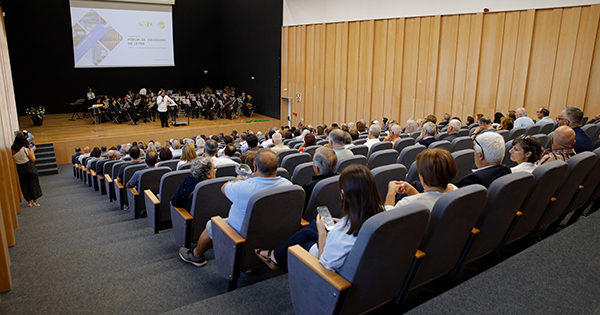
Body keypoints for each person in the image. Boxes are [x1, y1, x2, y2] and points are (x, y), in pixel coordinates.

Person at [255, 164, 384, 271]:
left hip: (332, 278)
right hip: (365, 262)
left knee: (306, 242)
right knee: (311, 228)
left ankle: (276, 256)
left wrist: (322, 233)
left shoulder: (342, 233)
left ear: (343, 193)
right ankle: (275, 256)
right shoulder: (384, 215)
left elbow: (324, 265)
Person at [179, 149, 292, 267]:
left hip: (243, 233)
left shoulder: (243, 187)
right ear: (277, 167)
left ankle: (196, 255)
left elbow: (223, 188)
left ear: (254, 167)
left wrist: (240, 180)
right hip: (274, 230)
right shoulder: (288, 185)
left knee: (211, 225)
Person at [385, 148, 458, 210]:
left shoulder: (407, 203)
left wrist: (391, 193)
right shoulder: (455, 190)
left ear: (422, 176)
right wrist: (411, 190)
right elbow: (427, 200)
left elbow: (386, 220)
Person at [12, 134, 42, 207]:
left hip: (19, 168)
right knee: (33, 184)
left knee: (24, 184)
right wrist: (33, 150)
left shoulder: (12, 149)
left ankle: (29, 202)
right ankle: (35, 202)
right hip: (28, 166)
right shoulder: (25, 149)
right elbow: (33, 159)